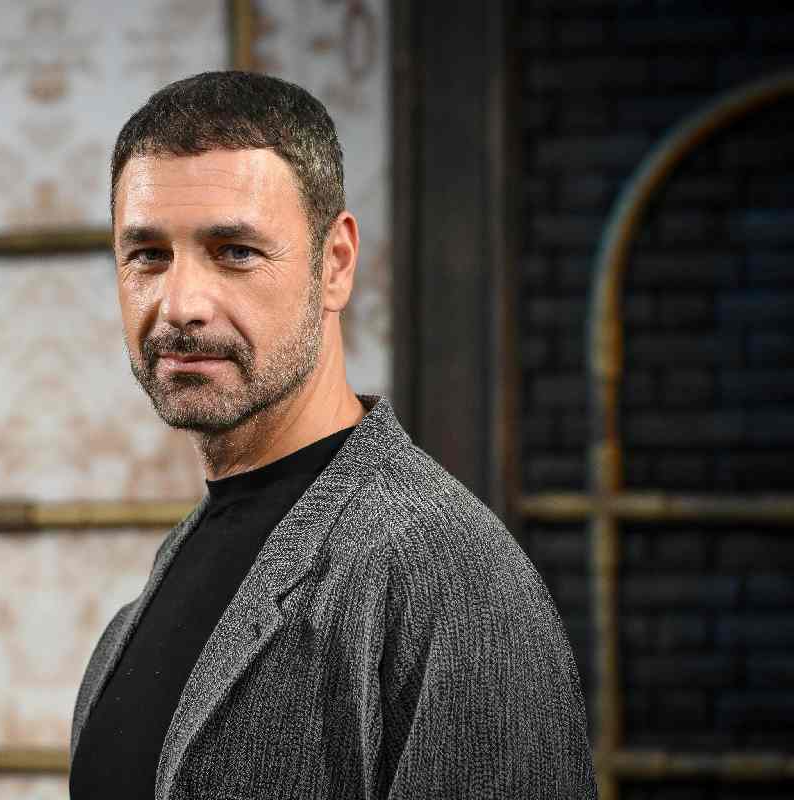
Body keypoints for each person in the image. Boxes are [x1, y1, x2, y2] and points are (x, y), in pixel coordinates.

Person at [68, 70, 597, 800]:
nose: (181, 302)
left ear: (336, 265)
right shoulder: (176, 565)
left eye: (235, 251)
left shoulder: (449, 575)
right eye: (148, 255)